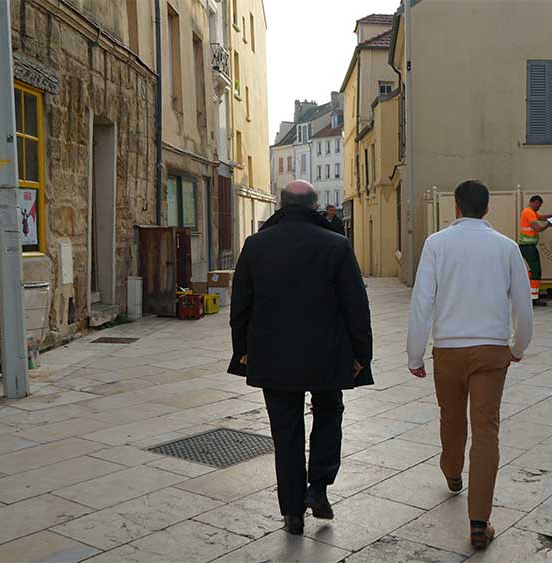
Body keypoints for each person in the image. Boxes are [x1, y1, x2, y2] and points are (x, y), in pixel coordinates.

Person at [228, 180, 373, 535]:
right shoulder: (337, 245)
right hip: (326, 352)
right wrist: (361, 355)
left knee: (286, 430)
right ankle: (318, 488)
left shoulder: (256, 245)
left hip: (273, 355)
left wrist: (242, 350)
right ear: (315, 205)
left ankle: (292, 511)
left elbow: (240, 306)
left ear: (281, 204)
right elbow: (357, 307)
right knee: (328, 413)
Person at [406, 179, 533, 550]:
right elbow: (523, 307)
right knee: (487, 429)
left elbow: (421, 302)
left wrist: (415, 353)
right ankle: (479, 522)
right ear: (487, 209)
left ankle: (451, 471)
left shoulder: (436, 244)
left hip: (447, 349)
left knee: (451, 415)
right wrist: (518, 346)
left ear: (456, 208)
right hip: (492, 349)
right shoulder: (507, 248)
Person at [519, 195, 552, 306]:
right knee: (536, 272)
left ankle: (529, 295)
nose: (539, 207)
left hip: (526, 246)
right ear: (535, 202)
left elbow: (540, 217)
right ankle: (533, 298)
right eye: (539, 205)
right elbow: (537, 228)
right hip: (528, 246)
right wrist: (549, 224)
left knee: (533, 270)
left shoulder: (529, 212)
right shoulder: (529, 212)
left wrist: (551, 216)